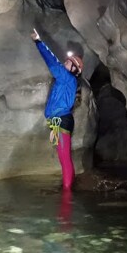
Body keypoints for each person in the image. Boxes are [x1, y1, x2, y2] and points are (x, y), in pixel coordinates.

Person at [30, 27, 83, 192]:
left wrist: (38, 42)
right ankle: (67, 187)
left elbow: (51, 61)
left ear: (74, 69)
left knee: (64, 157)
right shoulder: (65, 79)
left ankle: (67, 193)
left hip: (62, 120)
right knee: (63, 157)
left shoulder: (67, 77)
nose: (64, 62)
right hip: (57, 120)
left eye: (68, 62)